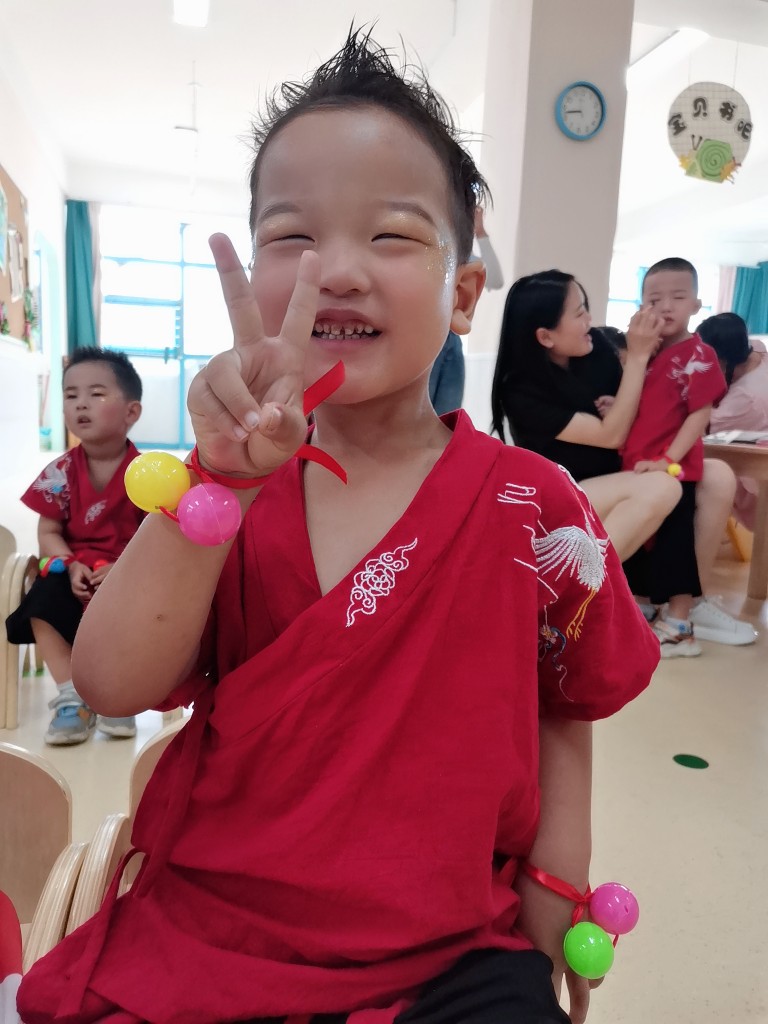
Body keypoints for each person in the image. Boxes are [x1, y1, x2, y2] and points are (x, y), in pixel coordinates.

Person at [18, 31, 659, 1024]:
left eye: (392, 235)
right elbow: (111, 682)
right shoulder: (217, 496)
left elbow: (565, 705)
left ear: (462, 293)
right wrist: (221, 482)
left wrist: (555, 881)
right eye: (293, 237)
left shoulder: (537, 503)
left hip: (450, 952)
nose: (340, 271)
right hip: (213, 931)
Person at [491, 270, 682, 562]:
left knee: (716, 476)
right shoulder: (520, 390)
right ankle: (583, 584)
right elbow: (611, 435)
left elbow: (632, 410)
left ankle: (685, 593)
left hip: (614, 474)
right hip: (556, 492)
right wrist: (637, 356)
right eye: (579, 313)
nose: (589, 321)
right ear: (546, 336)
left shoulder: (597, 348)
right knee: (661, 486)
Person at [5, 347, 144, 744]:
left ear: (131, 412)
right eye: (70, 395)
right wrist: (68, 564)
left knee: (144, 605)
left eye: (97, 394)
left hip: (126, 571)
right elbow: (48, 531)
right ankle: (72, 696)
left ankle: (119, 693)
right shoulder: (60, 473)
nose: (81, 403)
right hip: (72, 568)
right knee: (40, 601)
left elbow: (158, 535)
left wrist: (124, 569)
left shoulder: (145, 473)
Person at [618, 258, 730, 656]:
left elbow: (699, 415)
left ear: (697, 304)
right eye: (654, 299)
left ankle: (681, 624)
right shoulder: (645, 353)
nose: (665, 306)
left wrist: (669, 460)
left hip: (674, 471)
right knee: (641, 541)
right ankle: (646, 609)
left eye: (678, 297)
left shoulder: (699, 354)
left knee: (673, 543)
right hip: (639, 466)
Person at [429, 210, 503, 415]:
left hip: (452, 340)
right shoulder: (433, 252)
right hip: (427, 336)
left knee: (446, 421)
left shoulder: (460, 259)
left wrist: (481, 233)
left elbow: (496, 280)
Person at [700, 312, 768, 531]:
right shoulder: (756, 351)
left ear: (721, 360)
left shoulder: (746, 398)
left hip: (757, 485)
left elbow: (704, 430)